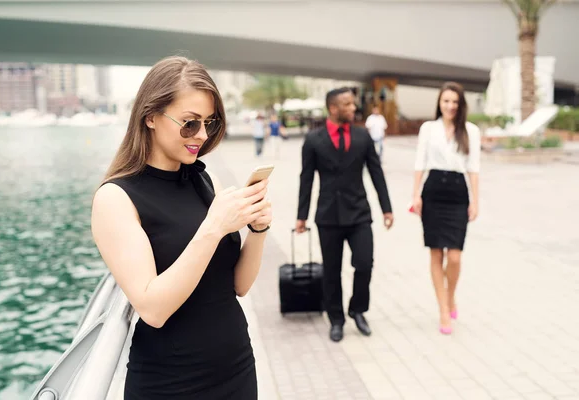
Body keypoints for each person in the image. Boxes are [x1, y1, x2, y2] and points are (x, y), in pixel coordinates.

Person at [91, 56, 272, 399]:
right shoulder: (116, 198)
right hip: (172, 383)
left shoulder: (205, 180)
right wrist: (213, 228)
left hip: (236, 368)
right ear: (150, 116)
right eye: (189, 123)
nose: (201, 135)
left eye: (210, 123)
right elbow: (153, 309)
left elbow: (238, 285)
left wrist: (258, 231)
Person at [296, 87, 394, 343]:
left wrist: (387, 208)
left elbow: (376, 173)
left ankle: (358, 310)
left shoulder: (363, 137)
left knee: (364, 264)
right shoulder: (314, 140)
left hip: (359, 213)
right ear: (333, 108)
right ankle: (336, 320)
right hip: (328, 216)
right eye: (348, 104)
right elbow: (306, 179)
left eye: (353, 104)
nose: (353, 108)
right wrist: (301, 216)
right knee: (331, 271)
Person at [411, 81, 480, 335]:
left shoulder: (470, 130)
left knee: (455, 256)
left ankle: (451, 295)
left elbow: (474, 167)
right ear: (439, 103)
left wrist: (475, 200)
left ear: (460, 105)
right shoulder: (428, 129)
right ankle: (443, 310)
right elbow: (420, 161)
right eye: (446, 101)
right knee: (436, 253)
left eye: (454, 102)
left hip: (457, 192)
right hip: (433, 192)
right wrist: (415, 195)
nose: (450, 106)